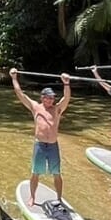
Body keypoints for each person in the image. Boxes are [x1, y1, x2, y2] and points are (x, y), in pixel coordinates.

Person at [10, 70, 72, 207]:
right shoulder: (36, 107)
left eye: (52, 98)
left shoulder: (57, 109)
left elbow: (66, 99)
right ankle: (32, 197)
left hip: (52, 145)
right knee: (35, 173)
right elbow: (20, 95)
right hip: (40, 145)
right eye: (48, 98)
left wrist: (66, 84)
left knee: (56, 173)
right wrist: (14, 78)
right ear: (42, 97)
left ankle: (59, 198)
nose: (51, 100)